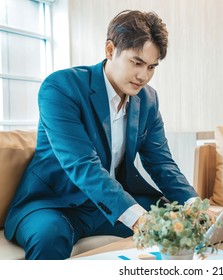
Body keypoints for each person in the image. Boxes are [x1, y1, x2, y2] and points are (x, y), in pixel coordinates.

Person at [4, 10, 198, 260]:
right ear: (110, 50)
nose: (144, 76)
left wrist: (194, 206)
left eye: (151, 67)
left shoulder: (148, 100)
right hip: (55, 203)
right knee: (49, 237)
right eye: (136, 63)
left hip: (106, 204)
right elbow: (81, 164)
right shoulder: (61, 87)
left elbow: (162, 163)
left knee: (174, 220)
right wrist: (137, 217)